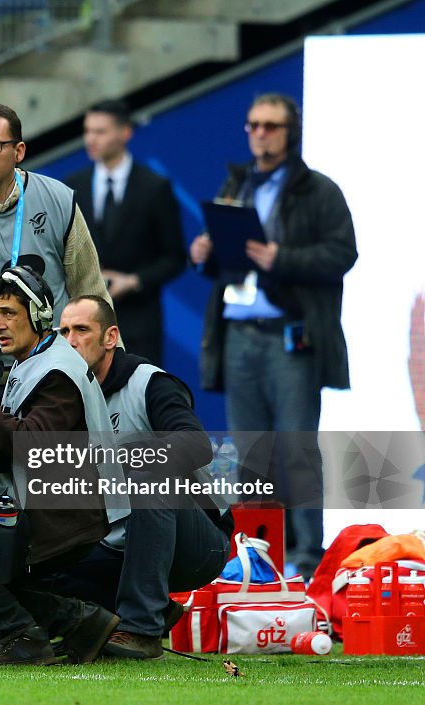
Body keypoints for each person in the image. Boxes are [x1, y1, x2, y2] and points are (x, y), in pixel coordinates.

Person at [189, 93, 357, 578]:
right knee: (251, 454)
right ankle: (259, 558)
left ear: (290, 132)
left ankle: (307, 557)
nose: (260, 133)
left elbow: (342, 254)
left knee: (298, 449)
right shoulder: (237, 184)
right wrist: (207, 252)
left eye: (271, 126)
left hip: (291, 335)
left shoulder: (317, 190)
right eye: (254, 125)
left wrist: (281, 259)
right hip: (240, 333)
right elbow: (231, 261)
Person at [0, 266, 121, 666]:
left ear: (41, 315)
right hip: (57, 510)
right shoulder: (37, 361)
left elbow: (32, 444)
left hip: (67, 518)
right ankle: (84, 624)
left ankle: (23, 636)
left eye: (8, 312)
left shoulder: (57, 370)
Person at [58, 295, 233, 659]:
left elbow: (196, 446)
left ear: (110, 338)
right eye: (64, 332)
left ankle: (140, 629)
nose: (71, 340)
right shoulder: (63, 396)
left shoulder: (150, 383)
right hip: (117, 544)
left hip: (197, 541)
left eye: (81, 330)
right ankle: (125, 613)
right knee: (35, 560)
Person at [0, 103, 115, 357]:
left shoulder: (57, 199)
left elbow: (90, 291)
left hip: (53, 368)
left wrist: (111, 364)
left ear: (19, 151)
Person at [63, 99, 186, 366]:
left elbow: (175, 257)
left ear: (125, 132)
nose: (90, 139)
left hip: (139, 324)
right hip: (84, 325)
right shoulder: (73, 186)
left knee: (138, 402)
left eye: (100, 131)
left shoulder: (154, 187)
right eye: (88, 131)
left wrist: (133, 281)